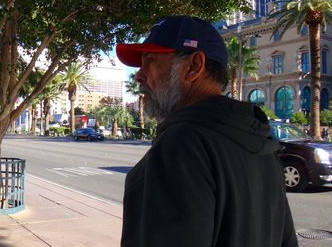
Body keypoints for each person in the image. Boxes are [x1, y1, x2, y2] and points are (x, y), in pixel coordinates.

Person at [116, 15, 297, 247]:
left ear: (193, 66)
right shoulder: (264, 146)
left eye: (150, 61)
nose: (139, 75)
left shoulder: (180, 146)